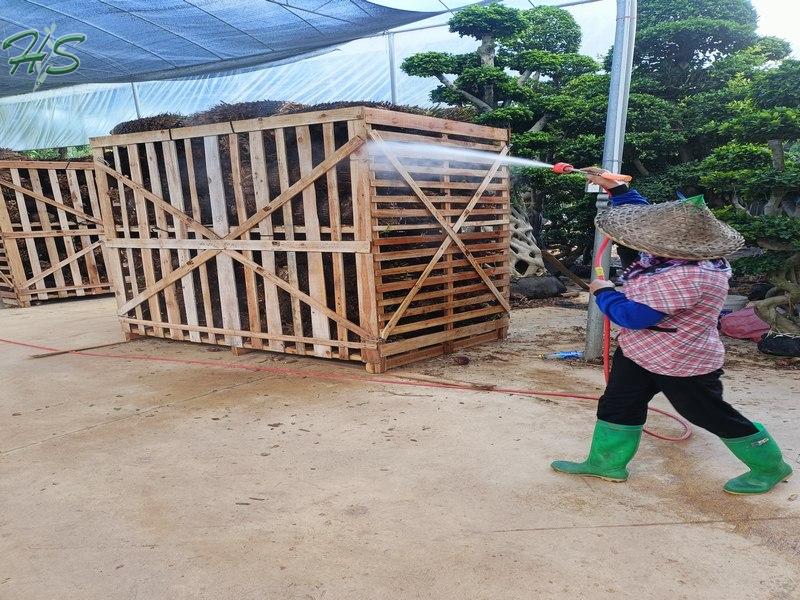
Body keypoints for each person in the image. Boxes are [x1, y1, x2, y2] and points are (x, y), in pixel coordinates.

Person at [551, 173, 793, 495]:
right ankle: (606, 463)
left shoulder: (691, 276)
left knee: (706, 413)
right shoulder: (671, 251)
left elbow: (633, 316)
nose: (639, 238)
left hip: (682, 359)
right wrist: (618, 188)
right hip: (640, 350)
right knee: (619, 403)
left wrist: (604, 292)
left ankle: (770, 465)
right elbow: (642, 217)